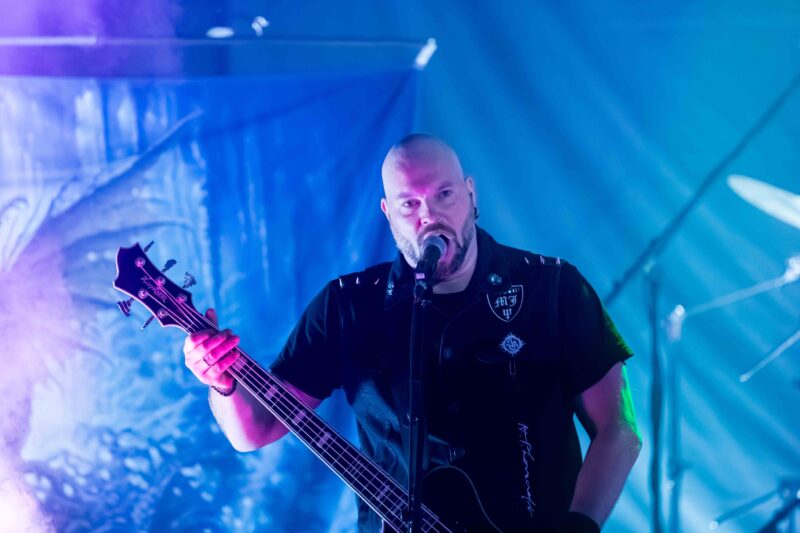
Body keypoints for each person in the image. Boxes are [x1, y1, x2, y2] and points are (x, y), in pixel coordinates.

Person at [183, 134, 642, 532]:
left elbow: (619, 429)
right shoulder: (348, 306)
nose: (430, 216)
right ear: (388, 213)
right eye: (410, 203)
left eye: (444, 194)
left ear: (470, 193)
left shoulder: (553, 288)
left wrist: (580, 527)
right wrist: (222, 383)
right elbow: (254, 431)